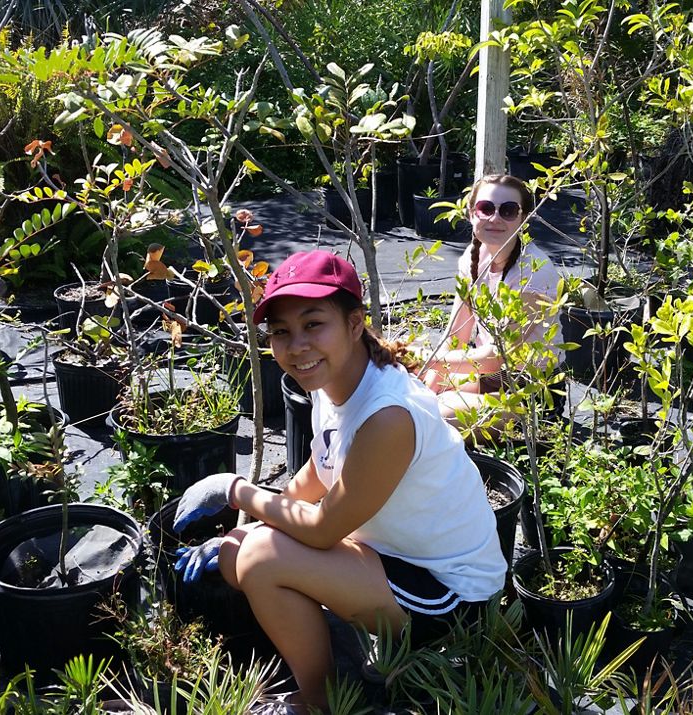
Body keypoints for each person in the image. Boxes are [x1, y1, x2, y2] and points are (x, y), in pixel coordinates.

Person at [169, 251, 506, 714]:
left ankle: (323, 703)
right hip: (392, 556)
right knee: (237, 550)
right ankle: (326, 656)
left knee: (262, 559)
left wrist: (234, 489)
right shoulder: (336, 383)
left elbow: (324, 528)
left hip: (450, 594)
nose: (297, 345)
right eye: (281, 332)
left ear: (353, 323)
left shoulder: (387, 415)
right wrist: (243, 529)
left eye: (313, 324)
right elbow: (317, 470)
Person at [419, 174, 565, 430]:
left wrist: (429, 360)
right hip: (490, 376)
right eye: (486, 208)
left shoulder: (533, 271)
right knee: (416, 390)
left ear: (523, 218)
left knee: (437, 414)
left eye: (508, 210)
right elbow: (456, 336)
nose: (495, 218)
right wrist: (430, 382)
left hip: (530, 388)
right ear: (471, 213)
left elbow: (497, 357)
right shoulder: (471, 258)